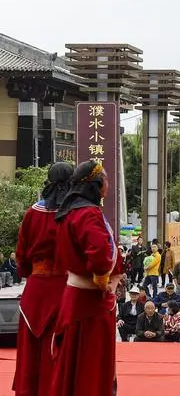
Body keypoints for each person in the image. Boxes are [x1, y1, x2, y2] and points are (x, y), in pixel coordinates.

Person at [51, 160, 123, 396]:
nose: (108, 183)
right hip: (91, 301)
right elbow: (101, 258)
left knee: (73, 361)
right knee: (91, 365)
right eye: (106, 178)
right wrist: (105, 281)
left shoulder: (69, 211)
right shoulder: (88, 214)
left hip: (74, 297)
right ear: (98, 184)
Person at [12, 162, 73, 396]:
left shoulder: (32, 213)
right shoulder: (75, 213)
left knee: (31, 347)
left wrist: (30, 273)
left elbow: (21, 255)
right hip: (67, 288)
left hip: (36, 289)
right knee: (61, 346)